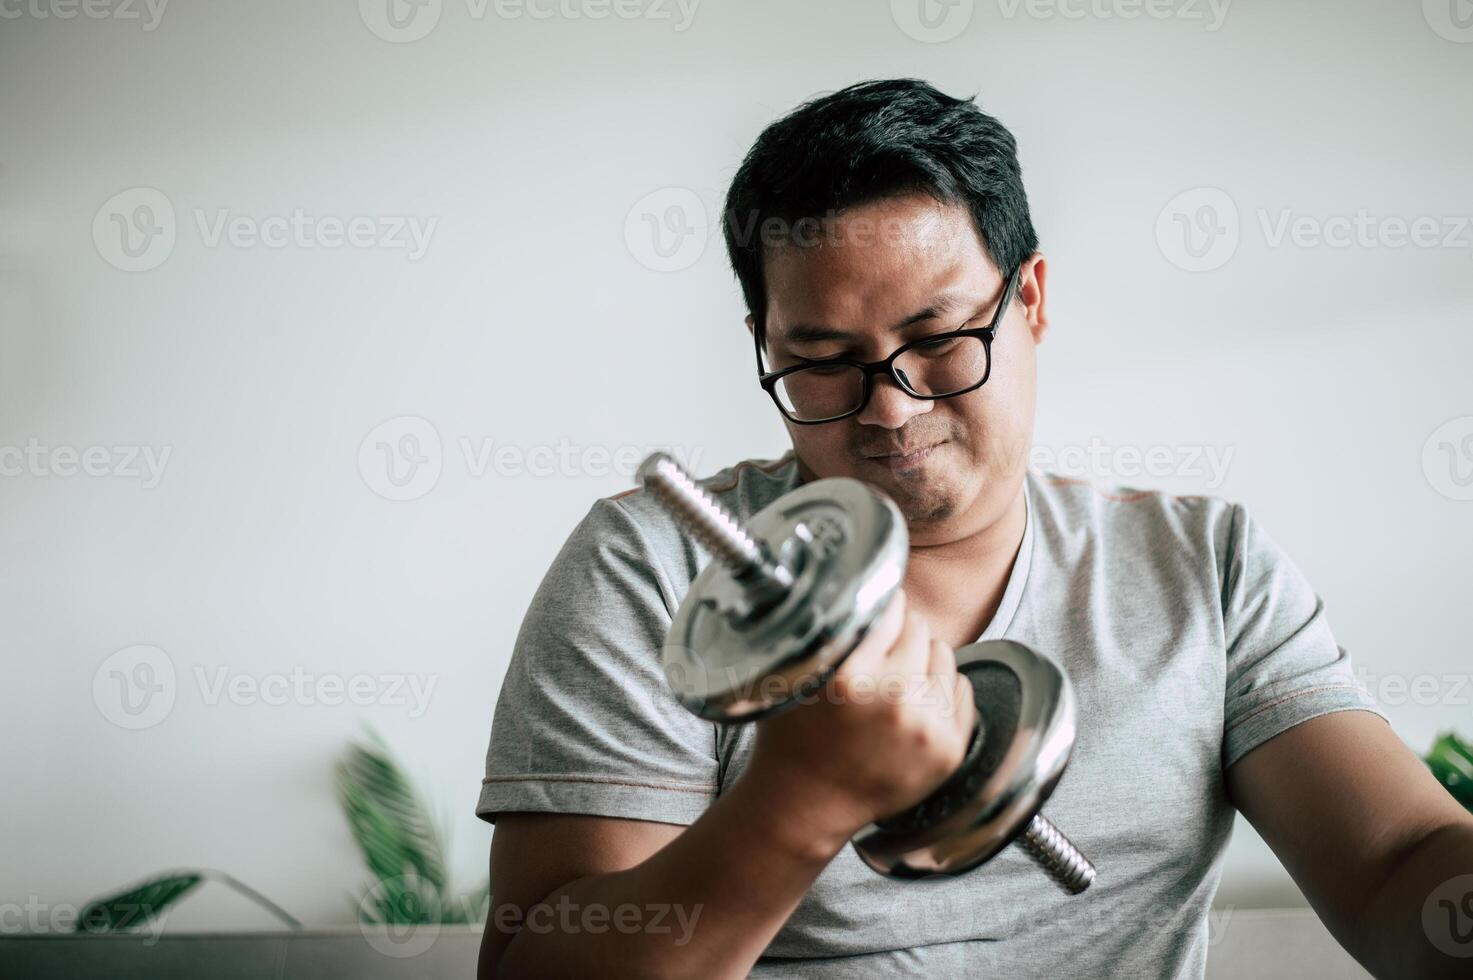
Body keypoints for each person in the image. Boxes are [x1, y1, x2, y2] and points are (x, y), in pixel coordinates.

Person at [474, 78, 1473, 978]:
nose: (891, 407)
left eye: (938, 338)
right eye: (823, 356)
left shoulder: (1205, 568)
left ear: (1029, 299)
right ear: (765, 344)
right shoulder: (652, 568)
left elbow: (1395, 866)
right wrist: (801, 797)